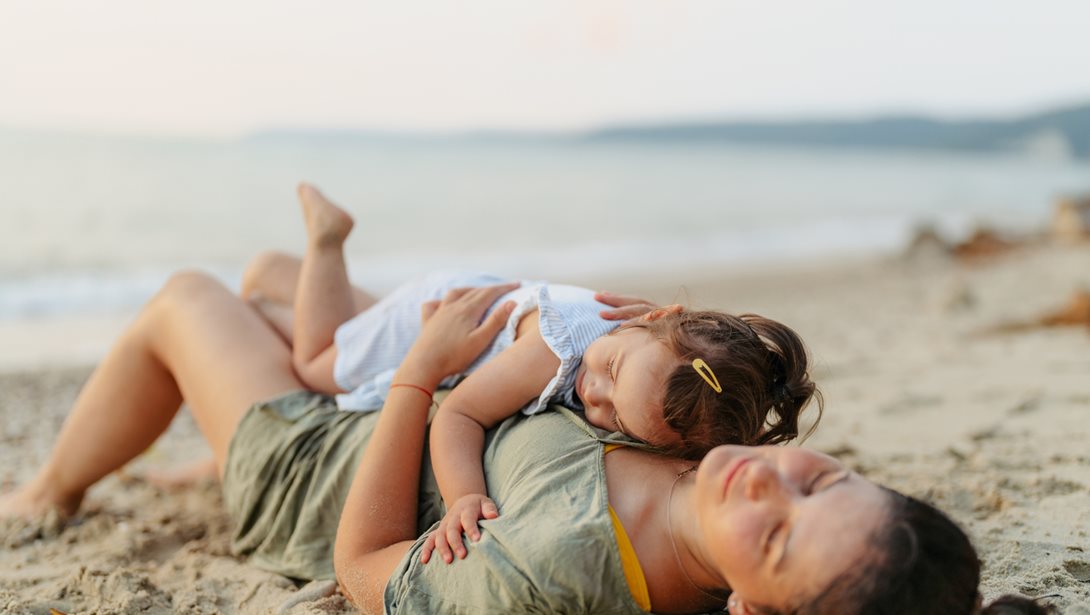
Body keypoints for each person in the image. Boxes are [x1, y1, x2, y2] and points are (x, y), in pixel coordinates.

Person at [0, 271, 1049, 614]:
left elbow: (363, 573)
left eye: (776, 537)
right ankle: (205, 427)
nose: (761, 480)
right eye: (817, 477)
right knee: (280, 284)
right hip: (402, 413)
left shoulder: (555, 567)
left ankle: (51, 486)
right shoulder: (701, 455)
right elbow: (655, 375)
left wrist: (418, 373)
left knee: (187, 299)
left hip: (311, 469)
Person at [283, 183, 822, 556]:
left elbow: (666, 371)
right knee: (315, 369)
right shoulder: (555, 351)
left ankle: (268, 284)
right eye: (611, 368)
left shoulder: (654, 347)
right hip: (445, 310)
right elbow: (461, 414)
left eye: (614, 416)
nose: (595, 392)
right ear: (653, 316)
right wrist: (464, 495)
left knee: (340, 336)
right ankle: (327, 240)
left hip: (500, 299)